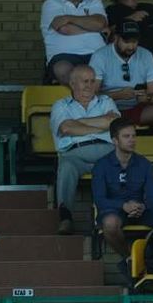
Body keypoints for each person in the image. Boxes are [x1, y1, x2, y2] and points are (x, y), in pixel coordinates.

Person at [49, 65, 117, 234]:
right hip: (75, 154)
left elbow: (114, 123)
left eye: (92, 81)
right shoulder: (61, 105)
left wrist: (80, 122)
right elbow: (66, 128)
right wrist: (100, 126)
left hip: (106, 152)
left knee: (122, 162)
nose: (89, 85)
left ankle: (109, 217)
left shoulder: (106, 101)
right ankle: (66, 218)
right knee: (65, 167)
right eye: (84, 81)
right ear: (72, 84)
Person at [92, 118, 153, 262]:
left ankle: (152, 259)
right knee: (110, 224)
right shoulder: (101, 165)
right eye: (126, 136)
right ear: (115, 140)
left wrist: (142, 207)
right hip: (113, 211)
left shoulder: (145, 164)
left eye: (134, 136)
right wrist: (123, 206)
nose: (132, 140)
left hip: (141, 210)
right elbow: (100, 200)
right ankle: (130, 258)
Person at [90, 21, 153, 139]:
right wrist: (118, 95)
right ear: (116, 38)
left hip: (136, 108)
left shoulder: (146, 55)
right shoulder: (100, 56)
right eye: (126, 42)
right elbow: (90, 96)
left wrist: (147, 98)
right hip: (108, 110)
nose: (131, 46)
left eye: (135, 42)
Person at [41, 0, 108, 85]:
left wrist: (68, 18)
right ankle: (92, 99)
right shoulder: (52, 4)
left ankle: (94, 99)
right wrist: (93, 28)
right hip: (64, 57)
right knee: (62, 69)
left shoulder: (94, 2)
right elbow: (65, 29)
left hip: (97, 54)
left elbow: (99, 23)